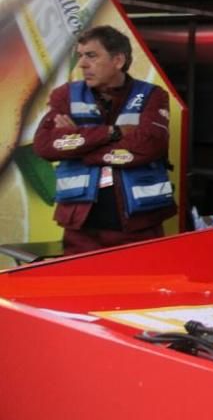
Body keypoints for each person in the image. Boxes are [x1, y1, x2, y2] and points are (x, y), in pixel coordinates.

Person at [33, 25, 176, 255]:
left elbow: (151, 145)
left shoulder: (152, 95)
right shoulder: (65, 95)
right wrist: (113, 133)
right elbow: (45, 145)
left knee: (138, 288)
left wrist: (81, 146)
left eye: (91, 55)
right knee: (81, 288)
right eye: (80, 56)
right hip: (81, 229)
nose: (82, 64)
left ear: (118, 60)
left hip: (139, 226)